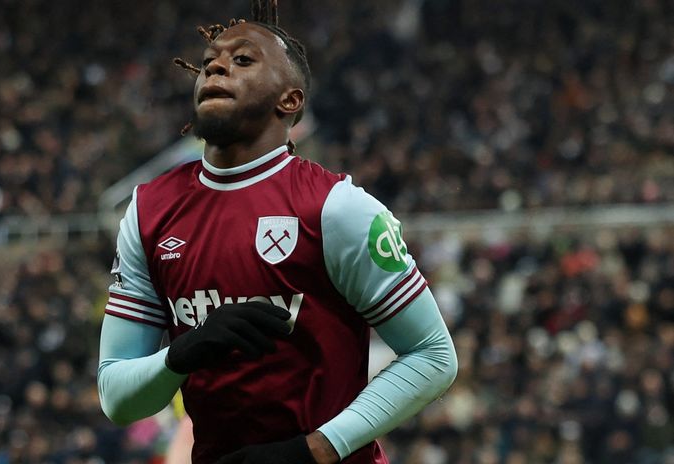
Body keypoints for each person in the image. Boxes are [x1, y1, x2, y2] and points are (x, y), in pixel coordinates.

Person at [96, 2, 458, 462]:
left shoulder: (336, 208)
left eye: (243, 60)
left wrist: (313, 450)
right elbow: (118, 398)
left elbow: (433, 356)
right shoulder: (148, 211)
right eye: (208, 64)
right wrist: (182, 354)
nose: (216, 67)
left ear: (290, 101)